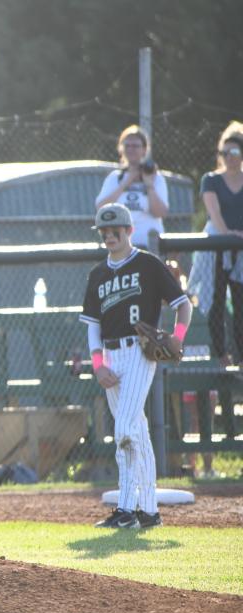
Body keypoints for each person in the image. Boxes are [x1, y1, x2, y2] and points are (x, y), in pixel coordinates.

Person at [80, 203, 191, 529]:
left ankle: (126, 510)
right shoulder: (98, 274)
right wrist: (98, 365)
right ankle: (149, 511)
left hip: (140, 353)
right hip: (111, 357)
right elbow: (92, 326)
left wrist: (178, 337)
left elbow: (182, 306)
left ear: (129, 231)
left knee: (125, 430)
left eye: (115, 230)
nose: (109, 236)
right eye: (104, 232)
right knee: (138, 433)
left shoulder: (147, 264)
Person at [199, 122, 243, 366]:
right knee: (216, 300)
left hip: (242, 252)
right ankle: (221, 355)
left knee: (240, 303)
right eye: (224, 153)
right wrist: (229, 235)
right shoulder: (211, 180)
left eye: (234, 153)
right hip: (217, 249)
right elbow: (214, 214)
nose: (229, 158)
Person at [95, 125, 170, 249]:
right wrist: (126, 182)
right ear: (121, 149)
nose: (131, 149)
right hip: (122, 246)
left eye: (135, 146)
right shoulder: (115, 178)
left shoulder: (156, 178)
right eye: (127, 145)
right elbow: (101, 207)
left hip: (150, 244)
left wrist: (149, 185)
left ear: (144, 149)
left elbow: (160, 212)